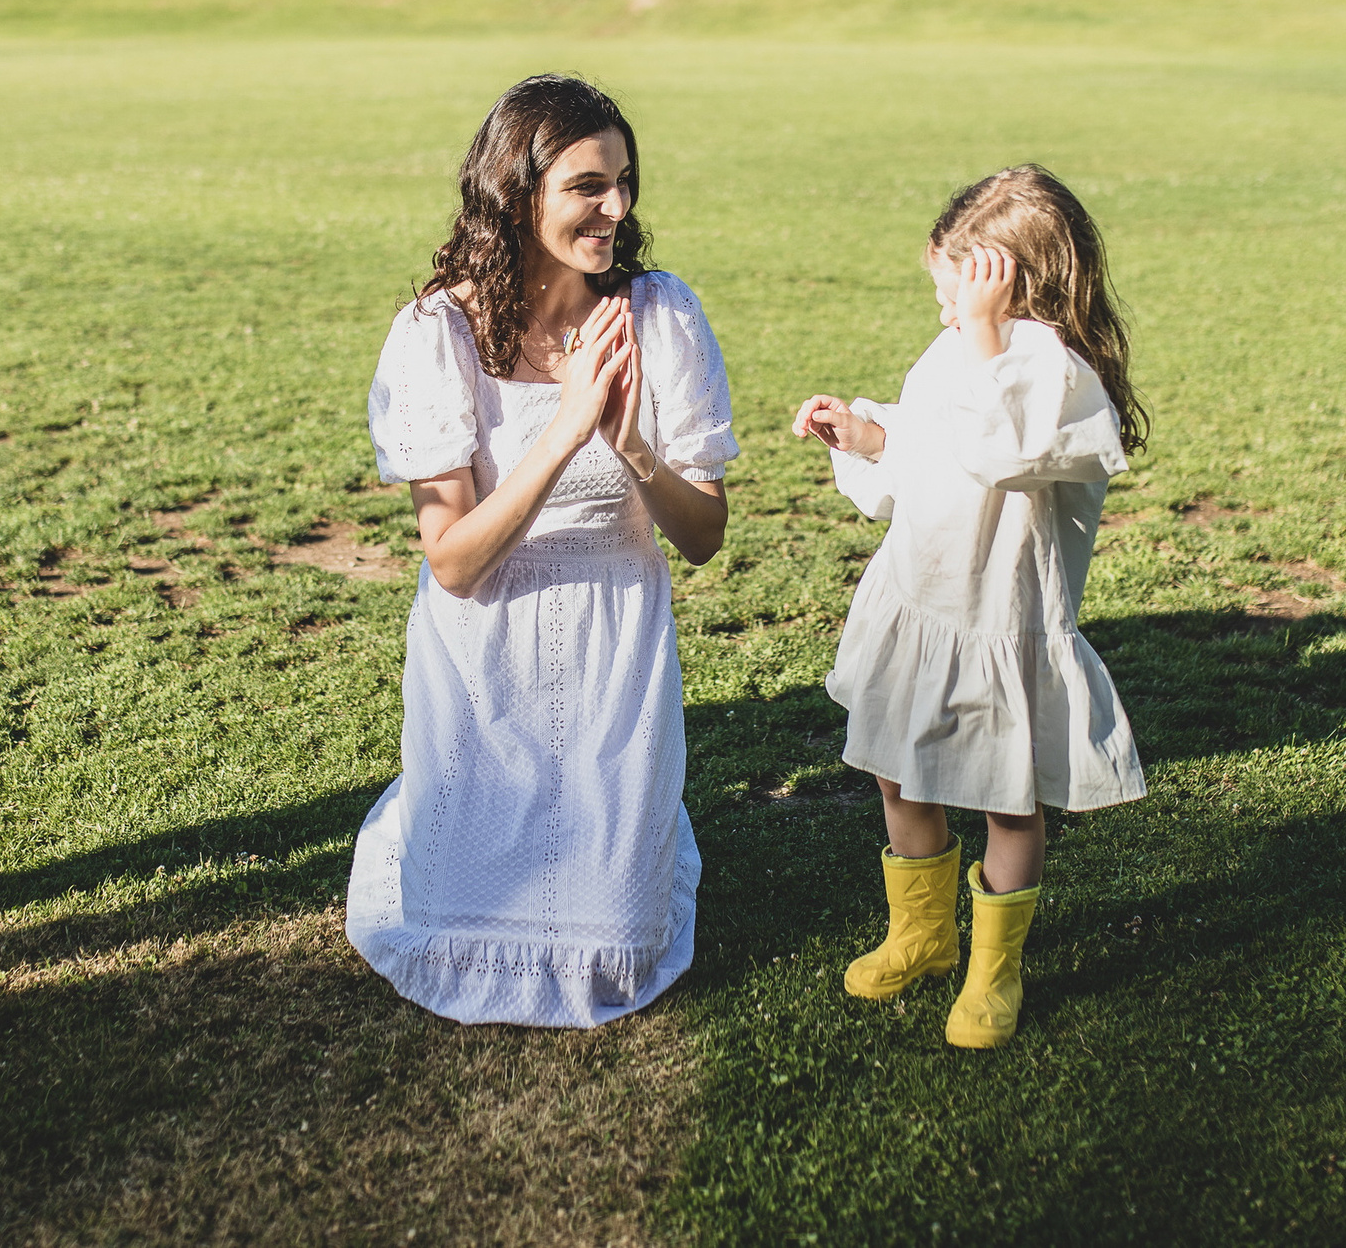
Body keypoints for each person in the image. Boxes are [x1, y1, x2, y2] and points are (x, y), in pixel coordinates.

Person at [349, 74, 738, 1027]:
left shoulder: (660, 315)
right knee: (454, 933)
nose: (618, 207)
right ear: (518, 193)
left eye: (624, 181)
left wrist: (629, 440)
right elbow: (453, 562)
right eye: (588, 186)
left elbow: (702, 537)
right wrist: (565, 428)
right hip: (483, 652)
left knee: (614, 944)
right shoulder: (437, 333)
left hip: (617, 650)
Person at [791, 165, 1146, 1049]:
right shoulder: (959, 348)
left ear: (1014, 283)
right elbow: (925, 446)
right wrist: (866, 434)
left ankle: (995, 970)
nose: (947, 313)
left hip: (1000, 619)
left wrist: (985, 334)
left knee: (1006, 796)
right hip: (921, 600)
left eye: (959, 294)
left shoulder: (1062, 378)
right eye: (945, 296)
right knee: (896, 766)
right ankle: (922, 930)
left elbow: (1004, 452)